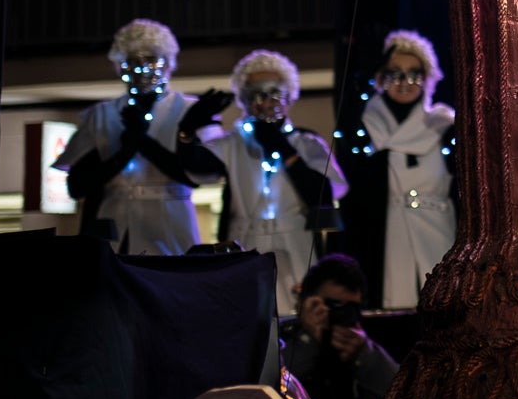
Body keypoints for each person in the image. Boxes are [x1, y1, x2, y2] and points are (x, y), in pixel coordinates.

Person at [54, 19, 227, 254]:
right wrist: (124, 152)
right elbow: (77, 185)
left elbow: (203, 174)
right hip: (113, 221)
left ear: (167, 63)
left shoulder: (187, 109)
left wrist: (143, 141)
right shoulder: (103, 114)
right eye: (132, 61)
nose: (141, 68)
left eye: (150, 59)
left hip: (171, 220)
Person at [207, 50, 346, 312]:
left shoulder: (306, 142)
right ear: (245, 98)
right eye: (256, 92)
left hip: (296, 244)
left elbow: (327, 190)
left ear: (288, 94)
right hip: (246, 244)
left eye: (274, 91)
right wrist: (188, 133)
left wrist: (287, 152)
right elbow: (198, 167)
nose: (267, 100)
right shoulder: (233, 143)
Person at [335, 31, 458, 308]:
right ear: (380, 77)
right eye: (394, 73)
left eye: (414, 73)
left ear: (427, 78)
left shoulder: (443, 124)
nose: (404, 82)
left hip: (440, 232)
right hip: (384, 238)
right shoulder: (365, 126)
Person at [281, 253, 398, 399]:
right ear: (306, 302)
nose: (340, 315)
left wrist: (364, 355)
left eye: (351, 308)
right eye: (333, 306)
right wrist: (309, 341)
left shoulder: (363, 351)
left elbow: (400, 397)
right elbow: (277, 391)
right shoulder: (285, 344)